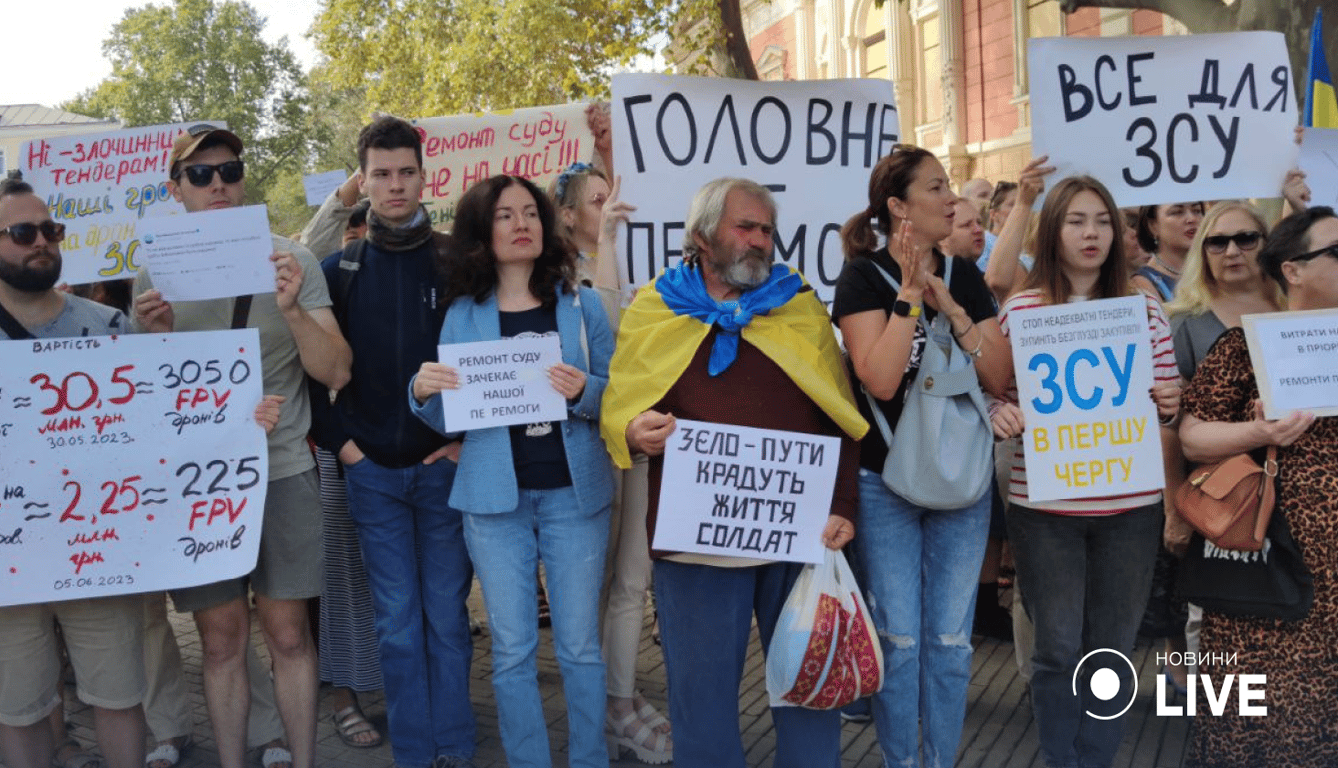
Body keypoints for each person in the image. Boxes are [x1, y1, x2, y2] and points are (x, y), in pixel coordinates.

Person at [601, 177, 867, 768]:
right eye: (745, 227)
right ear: (701, 237)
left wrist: (843, 503)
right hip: (695, 545)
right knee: (701, 708)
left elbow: (839, 412)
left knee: (809, 691)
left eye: (767, 229)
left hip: (796, 537)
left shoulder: (798, 305)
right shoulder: (655, 308)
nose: (760, 240)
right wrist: (633, 429)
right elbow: (623, 403)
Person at [131, 124, 352, 768]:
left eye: (229, 170)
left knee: (289, 635)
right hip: (199, 484)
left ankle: (303, 759)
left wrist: (292, 308)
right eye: (200, 175)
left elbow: (336, 371)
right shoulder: (153, 272)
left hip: (282, 472)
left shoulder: (293, 260)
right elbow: (146, 400)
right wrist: (155, 338)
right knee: (221, 640)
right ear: (176, 189)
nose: (218, 184)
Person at [411, 174, 615, 768]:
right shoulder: (463, 315)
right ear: (484, 231)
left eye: (530, 212)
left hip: (575, 496)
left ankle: (590, 760)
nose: (521, 224)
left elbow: (619, 397)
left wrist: (585, 390)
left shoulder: (583, 305)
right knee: (513, 651)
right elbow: (450, 417)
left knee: (580, 647)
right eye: (504, 215)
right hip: (494, 502)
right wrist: (420, 392)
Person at [991, 175, 1180, 768]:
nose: (1092, 233)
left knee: (1112, 648)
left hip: (1131, 507)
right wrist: (999, 412)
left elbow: (1170, 397)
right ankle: (1059, 758)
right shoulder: (1020, 311)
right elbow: (993, 391)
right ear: (1053, 230)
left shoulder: (1143, 309)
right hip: (1045, 510)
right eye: (1076, 221)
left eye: (1102, 221)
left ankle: (1094, 757)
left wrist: (1170, 400)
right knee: (1056, 647)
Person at [307, 116, 477, 768]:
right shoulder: (339, 270)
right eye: (382, 174)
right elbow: (311, 378)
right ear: (364, 181)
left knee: (447, 621)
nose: (396, 184)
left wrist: (464, 442)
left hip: (445, 474)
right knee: (398, 627)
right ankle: (414, 753)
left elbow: (491, 360)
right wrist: (349, 450)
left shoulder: (460, 262)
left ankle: (455, 748)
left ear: (424, 176)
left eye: (406, 171)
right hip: (373, 476)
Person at [832, 148, 1010, 768]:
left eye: (950, 186)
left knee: (951, 642)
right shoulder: (862, 278)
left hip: (961, 480)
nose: (952, 198)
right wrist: (909, 295)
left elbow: (999, 375)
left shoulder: (966, 276)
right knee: (901, 640)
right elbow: (879, 380)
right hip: (885, 481)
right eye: (937, 187)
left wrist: (953, 308)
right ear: (898, 207)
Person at [1178, 206, 1337, 768]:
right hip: (1266, 569)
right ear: (1293, 270)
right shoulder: (1247, 346)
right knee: (1249, 727)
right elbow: (1192, 436)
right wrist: (1258, 432)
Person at [0, 177, 145, 768]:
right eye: (22, 232)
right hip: (9, 563)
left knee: (119, 697)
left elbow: (154, 427)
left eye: (50, 230)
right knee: (19, 709)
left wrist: (233, 418)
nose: (41, 241)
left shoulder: (112, 326)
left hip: (96, 550)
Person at [549, 161, 671, 763]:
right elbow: (604, 335)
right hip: (592, 446)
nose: (613, 208)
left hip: (638, 438)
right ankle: (599, 704)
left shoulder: (640, 265)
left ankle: (619, 698)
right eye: (600, 201)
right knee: (595, 583)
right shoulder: (554, 279)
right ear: (568, 214)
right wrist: (612, 246)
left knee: (631, 578)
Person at [1132, 201, 1204, 301]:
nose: (1192, 219)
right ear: (1153, 226)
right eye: (1177, 212)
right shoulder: (1142, 283)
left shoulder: (1214, 269)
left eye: (1197, 211)